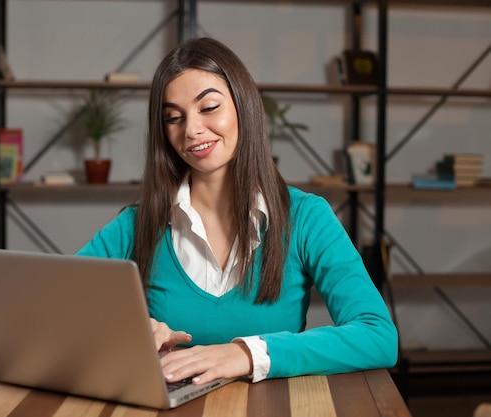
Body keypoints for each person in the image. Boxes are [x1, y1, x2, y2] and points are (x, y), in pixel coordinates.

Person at [76, 37, 398, 385]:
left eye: (209, 107)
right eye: (174, 118)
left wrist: (246, 354)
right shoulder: (137, 225)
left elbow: (377, 336)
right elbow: (56, 311)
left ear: (243, 107)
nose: (192, 130)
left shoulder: (307, 217)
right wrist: (128, 330)